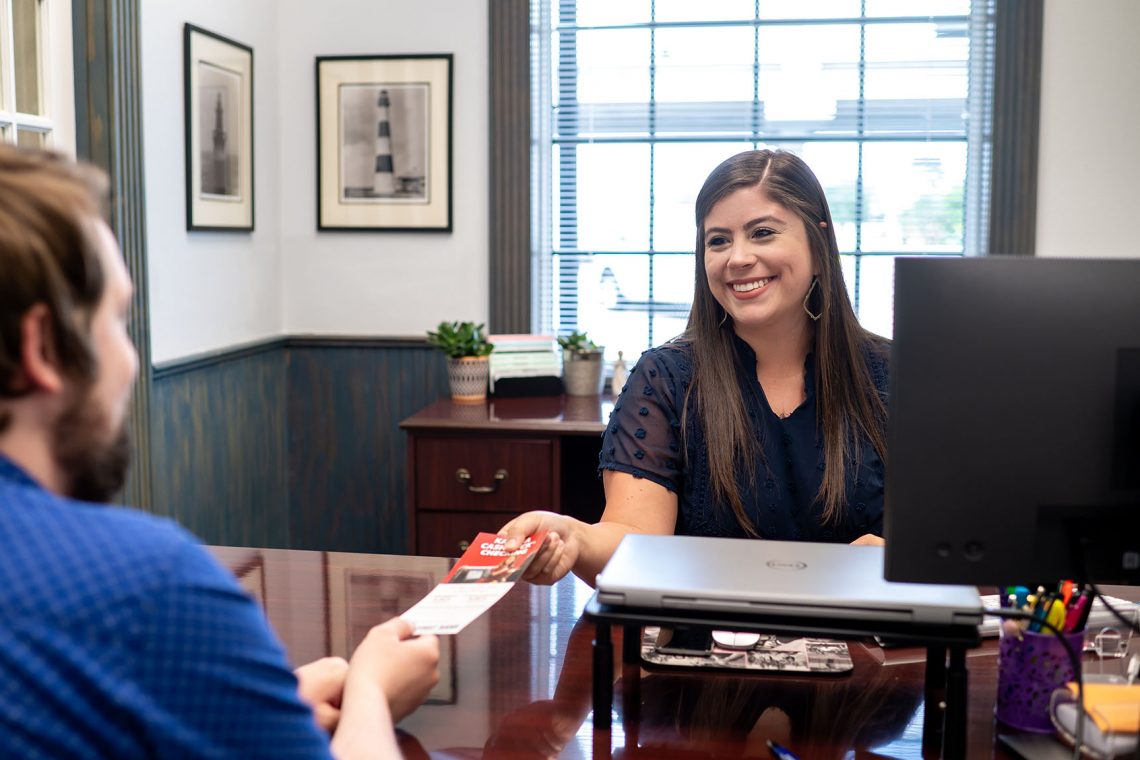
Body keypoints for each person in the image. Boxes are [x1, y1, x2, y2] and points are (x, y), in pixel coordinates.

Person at [0, 144, 439, 758]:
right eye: (118, 320)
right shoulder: (150, 586)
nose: (130, 361)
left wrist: (264, 705)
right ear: (43, 348)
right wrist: (371, 691)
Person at [501, 149, 890, 586]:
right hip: (709, 628)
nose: (737, 258)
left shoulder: (895, 376)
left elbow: (940, 537)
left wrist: (902, 554)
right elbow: (635, 537)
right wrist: (574, 536)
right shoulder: (666, 378)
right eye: (718, 240)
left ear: (819, 247)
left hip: (861, 626)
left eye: (762, 233)